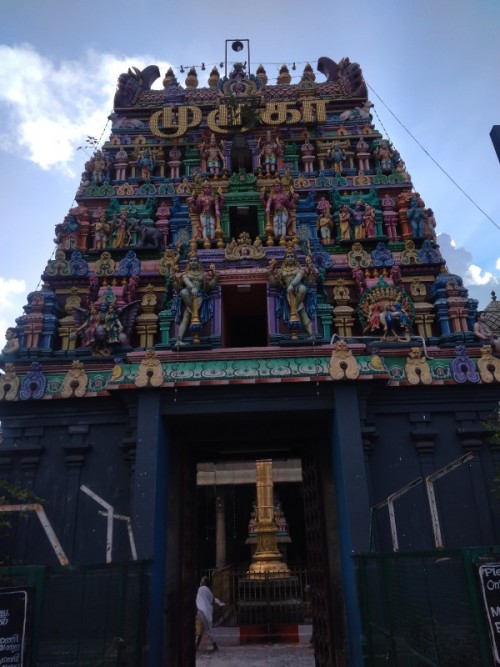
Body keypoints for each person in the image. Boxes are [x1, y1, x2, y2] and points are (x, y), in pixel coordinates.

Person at [267, 249, 317, 338]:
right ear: (285, 259)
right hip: (289, 293)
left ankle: (294, 309)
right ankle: (311, 334)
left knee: (302, 288)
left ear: (295, 258)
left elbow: (309, 282)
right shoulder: (281, 271)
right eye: (288, 256)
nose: (290, 258)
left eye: (292, 256)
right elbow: (277, 285)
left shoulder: (300, 269)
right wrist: (270, 273)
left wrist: (312, 272)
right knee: (302, 312)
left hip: (298, 290)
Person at [173, 254, 218, 345]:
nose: (193, 262)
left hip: (200, 297)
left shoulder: (203, 274)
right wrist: (192, 288)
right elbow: (184, 285)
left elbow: (208, 288)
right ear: (189, 263)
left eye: (195, 261)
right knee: (184, 292)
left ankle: (179, 339)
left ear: (198, 262)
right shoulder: (185, 274)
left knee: (186, 318)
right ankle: (179, 340)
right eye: (191, 261)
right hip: (189, 297)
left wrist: (215, 278)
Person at [195, 576, 224, 652]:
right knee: (202, 630)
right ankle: (196, 646)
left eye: (202, 581)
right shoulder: (208, 591)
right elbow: (212, 601)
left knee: (207, 630)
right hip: (205, 612)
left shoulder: (201, 589)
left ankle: (215, 646)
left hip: (202, 612)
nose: (201, 582)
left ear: (204, 582)